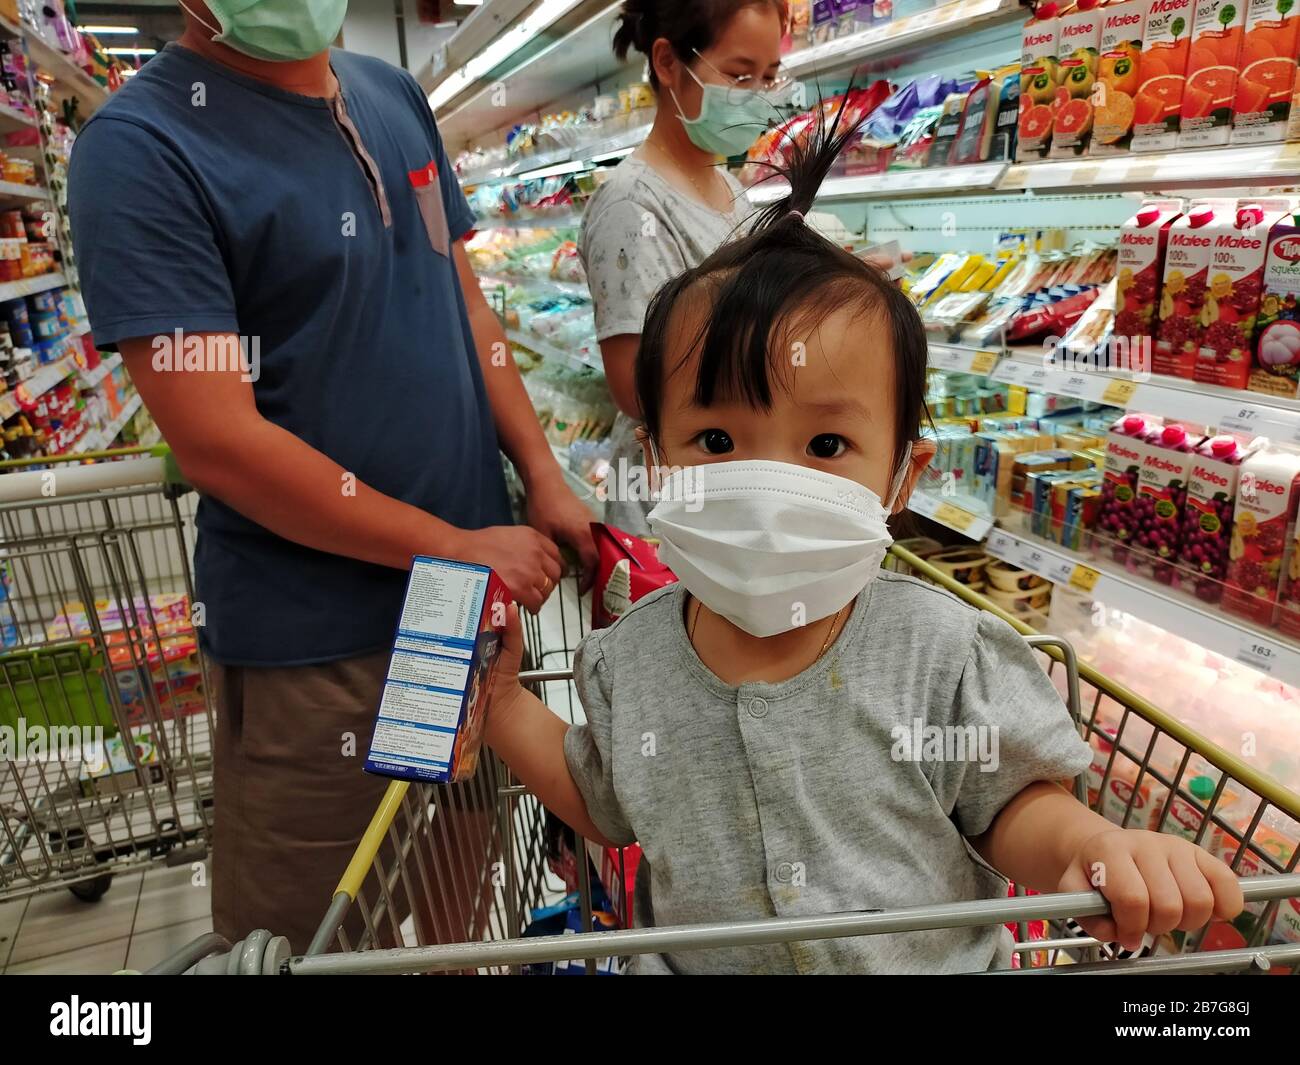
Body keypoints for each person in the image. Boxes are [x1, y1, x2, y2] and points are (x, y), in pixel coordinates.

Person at [482, 111, 1245, 973]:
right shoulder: (633, 663)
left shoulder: (942, 653)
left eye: (826, 446)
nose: (772, 488)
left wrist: (1096, 847)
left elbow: (1013, 807)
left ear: (902, 476)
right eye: (718, 442)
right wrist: (506, 702)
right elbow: (602, 798)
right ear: (655, 458)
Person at [67, 0, 597, 953]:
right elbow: (219, 440)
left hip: (462, 619)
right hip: (313, 650)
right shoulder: (140, 146)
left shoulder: (394, 94)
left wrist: (542, 467)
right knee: (306, 942)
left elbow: (465, 299)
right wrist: (456, 542)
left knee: (456, 913)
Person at [580, 0, 788, 534]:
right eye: (739, 75)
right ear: (668, 62)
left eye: (769, 77)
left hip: (730, 500)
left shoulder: (729, 188)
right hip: (671, 522)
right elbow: (636, 387)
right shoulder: (634, 205)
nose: (758, 98)